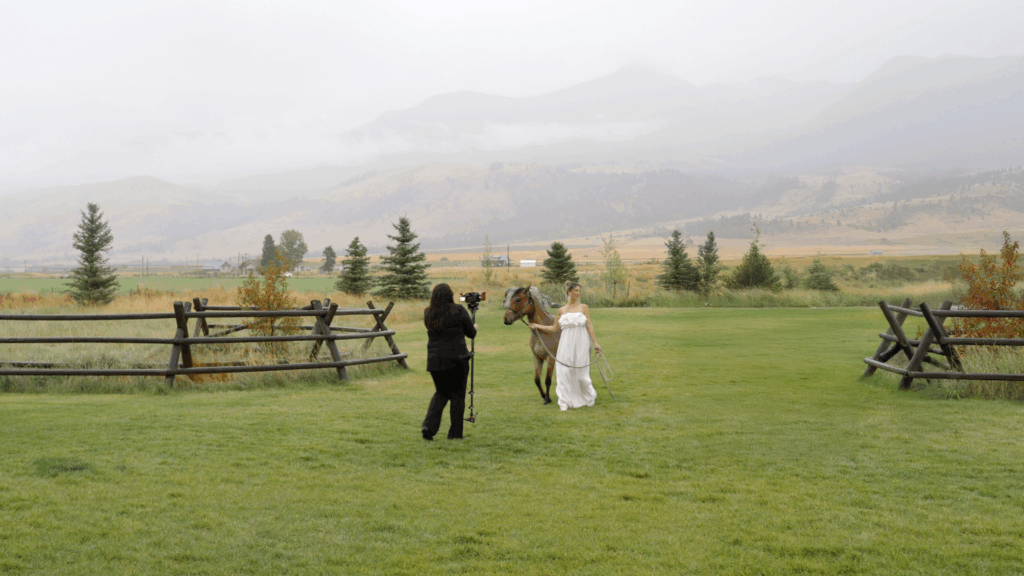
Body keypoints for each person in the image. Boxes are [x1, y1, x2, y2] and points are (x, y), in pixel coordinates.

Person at [529, 281, 602, 411]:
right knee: (564, 371)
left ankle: (586, 396)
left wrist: (595, 342)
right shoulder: (561, 310)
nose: (578, 293)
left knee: (581, 372)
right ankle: (565, 400)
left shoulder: (584, 307)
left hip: (581, 342)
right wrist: (537, 325)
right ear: (569, 291)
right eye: (576, 291)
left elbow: (589, 325)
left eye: (579, 291)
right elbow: (554, 327)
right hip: (565, 343)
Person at [422, 283, 478, 440]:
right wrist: (474, 326)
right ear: (450, 295)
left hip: (434, 361)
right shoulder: (458, 310)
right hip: (457, 359)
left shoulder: (428, 312)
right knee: (458, 396)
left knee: (441, 393)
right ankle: (455, 434)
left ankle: (428, 426)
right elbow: (471, 333)